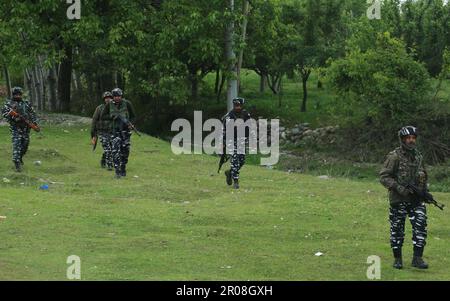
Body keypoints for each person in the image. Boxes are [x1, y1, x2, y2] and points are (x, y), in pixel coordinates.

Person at [380, 126, 429, 270]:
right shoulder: (394, 156)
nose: (411, 140)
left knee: (420, 227)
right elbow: (384, 176)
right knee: (397, 229)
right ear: (402, 140)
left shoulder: (419, 157)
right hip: (398, 199)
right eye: (408, 138)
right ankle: (398, 259)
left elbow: (424, 175)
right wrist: (399, 188)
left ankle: (417, 258)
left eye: (413, 138)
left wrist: (425, 192)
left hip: (416, 200)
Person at [1, 87, 39, 172]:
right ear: (13, 95)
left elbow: (32, 113)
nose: (18, 96)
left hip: (26, 128)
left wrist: (34, 123)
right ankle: (16, 162)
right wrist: (15, 117)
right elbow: (5, 114)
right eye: (16, 94)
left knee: (25, 144)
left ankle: (20, 157)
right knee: (17, 144)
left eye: (19, 94)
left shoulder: (26, 103)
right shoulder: (9, 104)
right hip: (16, 128)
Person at [101, 88, 136, 178]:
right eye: (115, 96)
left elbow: (133, 116)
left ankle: (123, 167)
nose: (117, 98)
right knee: (115, 151)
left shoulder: (127, 103)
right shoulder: (109, 105)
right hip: (115, 131)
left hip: (125, 131)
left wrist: (131, 124)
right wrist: (113, 117)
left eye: (119, 96)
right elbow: (103, 116)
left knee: (125, 151)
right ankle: (117, 172)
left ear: (121, 96)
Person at [222, 97, 251, 189]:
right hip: (231, 140)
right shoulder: (229, 116)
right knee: (235, 160)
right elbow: (224, 130)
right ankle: (236, 181)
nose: (238, 107)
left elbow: (249, 127)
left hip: (241, 140)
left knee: (242, 161)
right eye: (236, 105)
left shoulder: (246, 114)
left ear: (242, 105)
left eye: (239, 105)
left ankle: (230, 173)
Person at [91, 91, 114, 170]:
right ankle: (109, 165)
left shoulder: (114, 108)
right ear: (104, 99)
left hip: (111, 132)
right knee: (107, 149)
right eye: (106, 98)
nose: (108, 100)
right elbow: (94, 120)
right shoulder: (99, 108)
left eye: (109, 98)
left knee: (111, 148)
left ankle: (103, 160)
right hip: (102, 132)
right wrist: (93, 133)